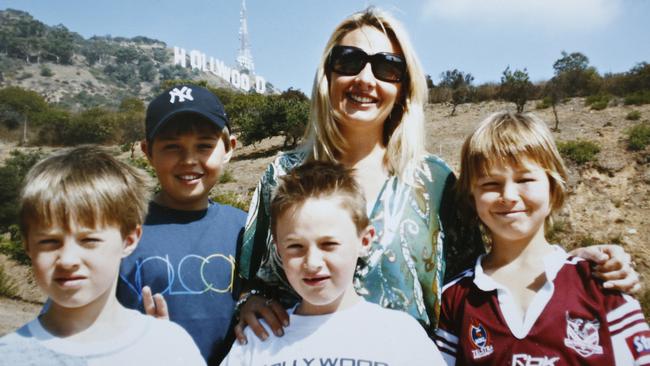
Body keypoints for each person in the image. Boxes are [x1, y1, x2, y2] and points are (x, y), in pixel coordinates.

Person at [235, 7, 639, 344]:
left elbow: (483, 276)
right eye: (349, 62)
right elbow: (252, 279)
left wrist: (582, 265)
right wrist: (249, 302)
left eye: (386, 68)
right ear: (328, 75)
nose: (365, 79)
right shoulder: (283, 175)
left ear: (405, 87)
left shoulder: (436, 181)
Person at [433, 112, 650, 365]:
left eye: (524, 179)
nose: (509, 195)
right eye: (491, 184)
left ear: (553, 190)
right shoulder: (455, 298)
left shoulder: (601, 283)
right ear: (472, 198)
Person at [221, 161, 445, 365]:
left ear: (364, 240)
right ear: (278, 248)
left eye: (328, 244)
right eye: (296, 247)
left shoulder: (402, 336)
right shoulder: (257, 341)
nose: (313, 263)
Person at [0, 146, 205, 365]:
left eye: (89, 241)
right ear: (28, 245)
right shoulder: (9, 356)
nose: (68, 260)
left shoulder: (169, 348)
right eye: (49, 242)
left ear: (129, 240)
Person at [116, 84, 247, 364]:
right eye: (172, 147)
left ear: (229, 148)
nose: (188, 160)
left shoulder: (248, 231)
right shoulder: (117, 232)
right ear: (147, 151)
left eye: (204, 146)